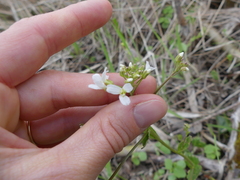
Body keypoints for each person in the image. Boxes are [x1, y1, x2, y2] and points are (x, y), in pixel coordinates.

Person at [0, 0, 167, 179]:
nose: (123, 92)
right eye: (123, 91)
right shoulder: (118, 90)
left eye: (124, 92)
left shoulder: (120, 89)